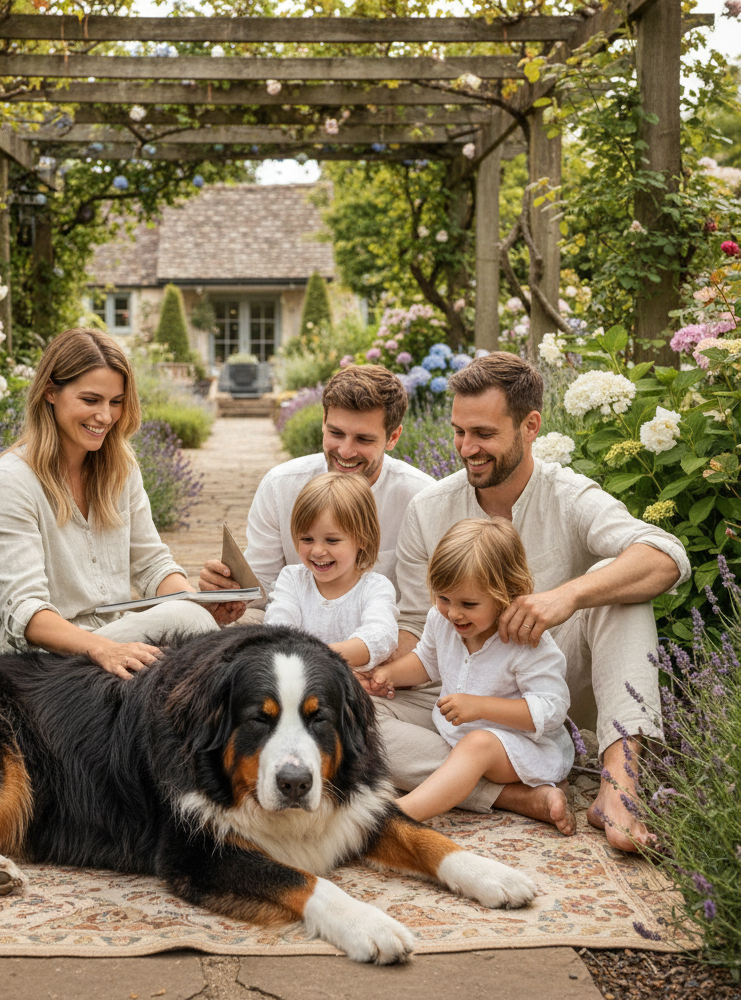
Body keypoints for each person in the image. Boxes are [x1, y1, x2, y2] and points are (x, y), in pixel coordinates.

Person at [368, 351, 690, 852]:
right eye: (459, 432)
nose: (467, 448)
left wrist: (567, 596)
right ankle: (511, 796)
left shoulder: (568, 495)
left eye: (484, 433)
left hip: (554, 687)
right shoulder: (429, 510)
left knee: (618, 585)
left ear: (530, 426)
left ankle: (619, 790)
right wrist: (378, 673)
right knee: (353, 715)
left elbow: (667, 556)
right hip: (460, 692)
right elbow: (416, 624)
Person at [0, 328, 222, 678]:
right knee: (191, 625)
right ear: (50, 392)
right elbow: (26, 613)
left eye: (115, 402)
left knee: (194, 619)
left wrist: (202, 605)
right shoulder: (11, 481)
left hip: (108, 641)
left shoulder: (120, 469)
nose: (105, 416)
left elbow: (152, 566)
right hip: (28, 662)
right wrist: (104, 648)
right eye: (91, 400)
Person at [373, 518, 575, 835]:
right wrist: (386, 674)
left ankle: (397, 817)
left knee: (478, 744)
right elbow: (427, 661)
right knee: (362, 710)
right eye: (443, 598)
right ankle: (522, 798)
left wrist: (480, 707)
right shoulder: (442, 620)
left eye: (468, 604)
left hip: (519, 749)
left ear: (507, 594)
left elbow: (551, 710)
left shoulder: (527, 641)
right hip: (453, 734)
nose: (453, 613)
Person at [199, 364, 434, 620]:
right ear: (323, 422)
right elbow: (259, 593)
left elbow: (421, 612)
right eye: (336, 433)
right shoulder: (280, 486)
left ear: (393, 437)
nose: (345, 451)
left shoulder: (421, 498)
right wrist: (226, 592)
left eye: (363, 439)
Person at [264, 472, 400, 670]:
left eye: (332, 540)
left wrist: (316, 657)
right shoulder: (292, 579)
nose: (317, 551)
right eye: (307, 539)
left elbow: (380, 637)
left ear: (362, 538)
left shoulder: (375, 588)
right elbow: (278, 631)